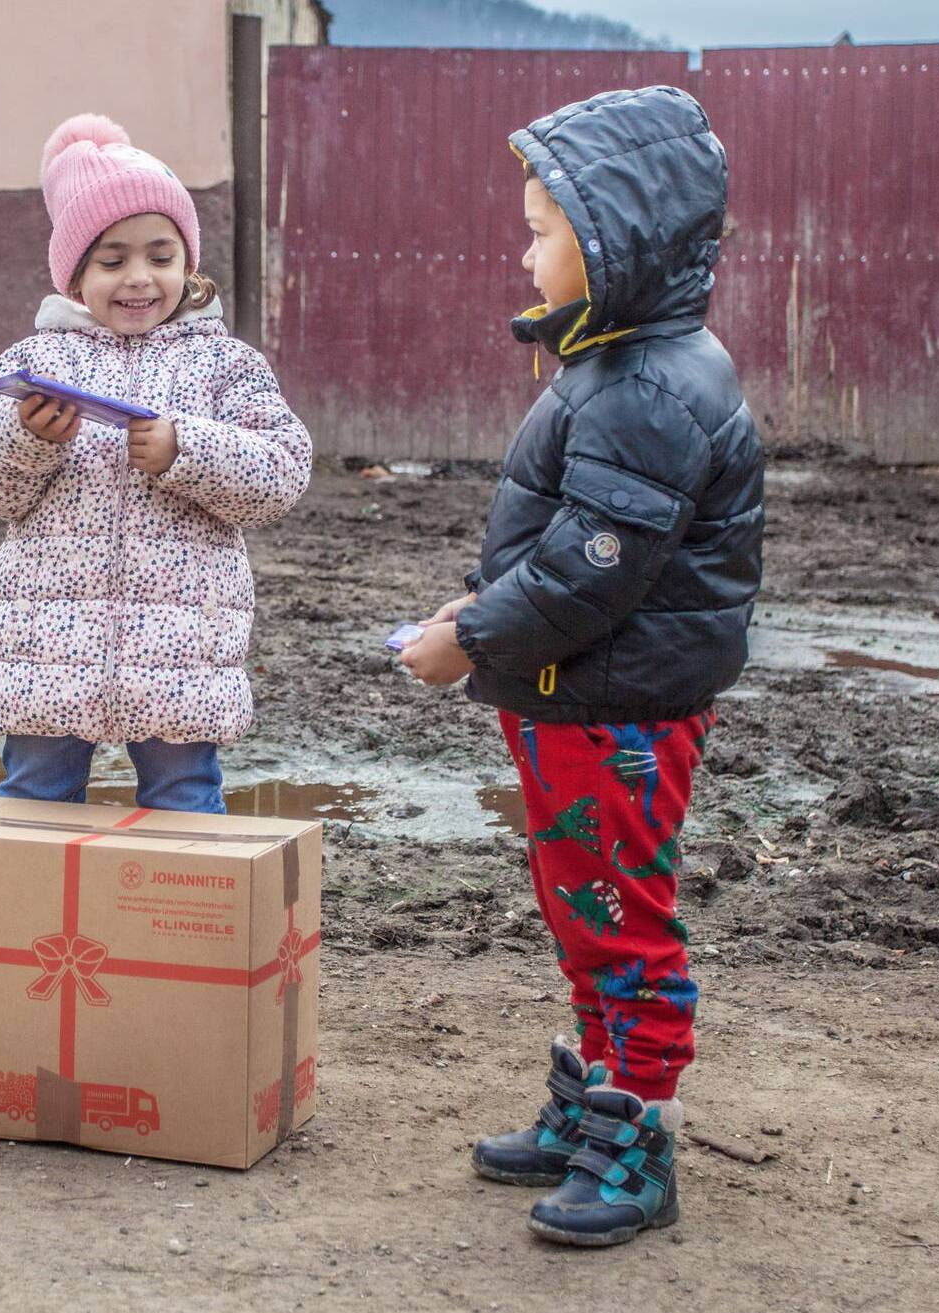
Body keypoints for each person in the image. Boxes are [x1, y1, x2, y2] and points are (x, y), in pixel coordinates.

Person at [398, 85, 764, 1245]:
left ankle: (636, 1134)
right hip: (574, 695)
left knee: (616, 915)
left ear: (616, 242)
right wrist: (489, 613)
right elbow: (565, 553)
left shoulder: (648, 389)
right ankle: (591, 1099)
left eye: (542, 229)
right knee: (580, 904)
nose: (523, 247)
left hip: (616, 708)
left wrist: (466, 640)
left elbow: (585, 576)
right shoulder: (611, 364)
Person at [0, 114, 312, 814]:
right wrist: (30, 440)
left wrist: (190, 450)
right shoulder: (35, 364)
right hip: (47, 650)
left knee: (184, 802)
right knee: (34, 801)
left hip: (181, 651)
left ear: (189, 262)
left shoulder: (226, 366)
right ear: (75, 274)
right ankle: (24, 922)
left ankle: (178, 922)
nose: (139, 278)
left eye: (161, 255)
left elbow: (281, 475)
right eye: (112, 261)